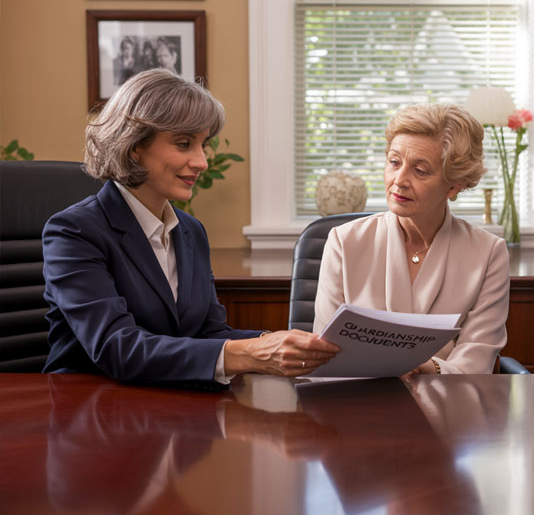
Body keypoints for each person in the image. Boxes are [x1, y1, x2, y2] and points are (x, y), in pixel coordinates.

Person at [42, 69, 339, 384]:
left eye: (203, 145)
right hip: (92, 409)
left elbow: (208, 332)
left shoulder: (190, 230)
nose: (202, 162)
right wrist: (254, 352)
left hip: (166, 404)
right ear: (133, 146)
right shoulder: (74, 231)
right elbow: (117, 347)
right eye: (184, 144)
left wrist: (278, 341)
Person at [313, 103, 510, 374]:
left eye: (420, 170)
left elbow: (476, 360)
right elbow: (324, 351)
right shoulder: (344, 242)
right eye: (394, 162)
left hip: (447, 404)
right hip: (356, 401)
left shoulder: (488, 253)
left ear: (455, 184)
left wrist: (431, 369)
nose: (399, 180)